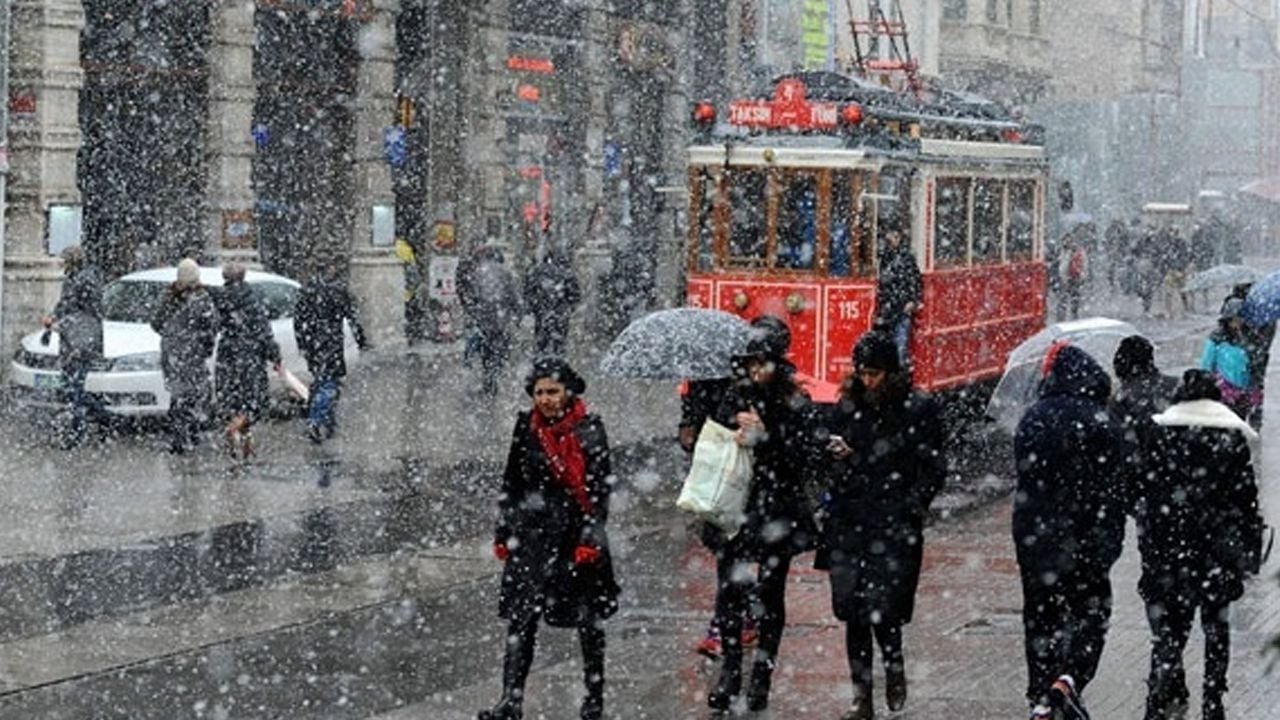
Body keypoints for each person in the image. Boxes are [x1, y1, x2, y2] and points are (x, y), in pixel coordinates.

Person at [480, 358, 618, 720]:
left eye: (552, 391)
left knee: (588, 622)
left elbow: (600, 490)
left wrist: (591, 536)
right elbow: (511, 482)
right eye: (539, 392)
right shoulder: (526, 427)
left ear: (568, 392)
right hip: (532, 537)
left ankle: (594, 695)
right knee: (520, 620)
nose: (545, 399)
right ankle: (511, 699)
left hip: (576, 537)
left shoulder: (589, 428)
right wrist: (503, 530)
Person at [820, 331, 946, 719]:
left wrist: (912, 505)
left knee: (884, 609)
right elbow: (825, 455)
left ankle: (893, 665)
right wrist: (835, 456)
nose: (866, 379)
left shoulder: (916, 409)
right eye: (862, 372)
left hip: (892, 524)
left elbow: (932, 466)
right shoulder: (848, 407)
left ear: (890, 373)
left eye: (874, 373)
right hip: (849, 523)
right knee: (852, 613)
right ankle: (862, 697)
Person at [703, 330, 822, 714]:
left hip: (776, 508)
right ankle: (731, 671)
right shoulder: (733, 396)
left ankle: (762, 677)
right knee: (729, 591)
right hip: (735, 506)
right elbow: (712, 442)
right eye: (751, 363)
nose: (756, 371)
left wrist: (764, 437)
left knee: (771, 594)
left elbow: (804, 456)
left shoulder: (793, 401)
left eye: (763, 363)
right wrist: (730, 434)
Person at [1135, 369, 1263, 720]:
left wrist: (1150, 547)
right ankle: (1213, 697)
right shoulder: (1230, 437)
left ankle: (1160, 690)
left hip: (1171, 552)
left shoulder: (1160, 435)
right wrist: (1247, 551)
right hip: (1217, 554)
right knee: (1216, 628)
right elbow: (1245, 500)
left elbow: (1146, 494)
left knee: (1170, 631)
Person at [1012, 343, 1126, 715]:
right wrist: (1110, 541)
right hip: (1087, 539)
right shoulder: (1101, 420)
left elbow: (1025, 477)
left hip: (1038, 540)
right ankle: (1070, 679)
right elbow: (1114, 487)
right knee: (1092, 613)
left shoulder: (1032, 418)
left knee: (1040, 616)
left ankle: (1040, 696)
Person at [681, 316, 791, 660]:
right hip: (727, 490)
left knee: (757, 579)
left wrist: (763, 436)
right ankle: (730, 633)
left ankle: (743, 631)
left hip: (764, 500)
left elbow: (799, 449)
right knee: (730, 569)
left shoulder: (785, 397)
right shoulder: (725, 381)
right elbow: (707, 413)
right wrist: (697, 426)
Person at [212, 263, 281, 460]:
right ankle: (235, 430)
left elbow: (212, 325)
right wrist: (275, 356)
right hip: (250, 356)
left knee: (232, 400)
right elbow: (264, 331)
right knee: (252, 402)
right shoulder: (252, 299)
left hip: (227, 355)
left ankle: (243, 444)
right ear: (243, 277)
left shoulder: (220, 298)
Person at [294, 261, 369, 443]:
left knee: (321, 381)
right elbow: (352, 317)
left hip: (313, 343)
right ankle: (315, 420)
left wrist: (303, 342)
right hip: (331, 342)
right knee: (329, 383)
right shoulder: (338, 291)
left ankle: (329, 423)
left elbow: (298, 319)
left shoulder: (307, 291)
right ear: (331, 269)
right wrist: (361, 339)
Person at [41, 246, 107, 449]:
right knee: (71, 387)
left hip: (81, 343)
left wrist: (59, 324)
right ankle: (103, 416)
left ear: (73, 261)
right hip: (72, 342)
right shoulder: (73, 278)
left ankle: (77, 434)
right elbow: (65, 304)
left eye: (65, 260)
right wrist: (53, 316)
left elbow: (86, 316)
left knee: (74, 388)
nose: (62, 264)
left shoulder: (85, 280)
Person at [151, 258, 219, 454]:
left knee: (178, 394)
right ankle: (191, 434)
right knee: (195, 394)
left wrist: (171, 335)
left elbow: (155, 323)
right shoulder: (202, 299)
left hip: (172, 352)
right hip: (192, 354)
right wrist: (204, 347)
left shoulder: (169, 296)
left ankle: (179, 437)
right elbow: (210, 328)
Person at [1110, 335, 1178, 512]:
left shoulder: (1121, 398)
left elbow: (1125, 449)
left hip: (1147, 486)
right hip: (1180, 480)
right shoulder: (1176, 386)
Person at [458, 244, 522, 396]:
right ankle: (492, 378)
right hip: (500, 319)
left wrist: (471, 312)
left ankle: (487, 378)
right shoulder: (506, 272)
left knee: (486, 349)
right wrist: (517, 315)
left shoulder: (478, 272)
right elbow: (514, 296)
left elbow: (470, 294)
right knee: (497, 349)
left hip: (483, 318)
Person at [1199, 298, 1259, 422]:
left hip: (1243, 391)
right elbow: (1206, 364)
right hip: (1224, 390)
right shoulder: (1217, 338)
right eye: (1236, 319)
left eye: (1241, 318)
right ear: (1228, 319)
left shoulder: (1248, 336)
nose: (1239, 322)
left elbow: (1252, 363)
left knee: (1240, 422)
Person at [874, 222, 922, 367]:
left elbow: (915, 280)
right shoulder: (885, 257)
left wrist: (912, 301)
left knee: (900, 345)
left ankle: (897, 376)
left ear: (899, 238)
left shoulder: (906, 258)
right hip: (890, 308)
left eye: (894, 236)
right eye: (889, 236)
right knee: (891, 346)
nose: (891, 240)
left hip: (899, 308)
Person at [524, 248, 581, 357]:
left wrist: (533, 308)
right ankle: (558, 360)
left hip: (542, 312)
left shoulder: (537, 272)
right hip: (561, 313)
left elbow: (529, 292)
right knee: (559, 342)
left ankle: (541, 361)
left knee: (541, 340)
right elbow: (575, 295)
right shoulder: (567, 273)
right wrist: (569, 308)